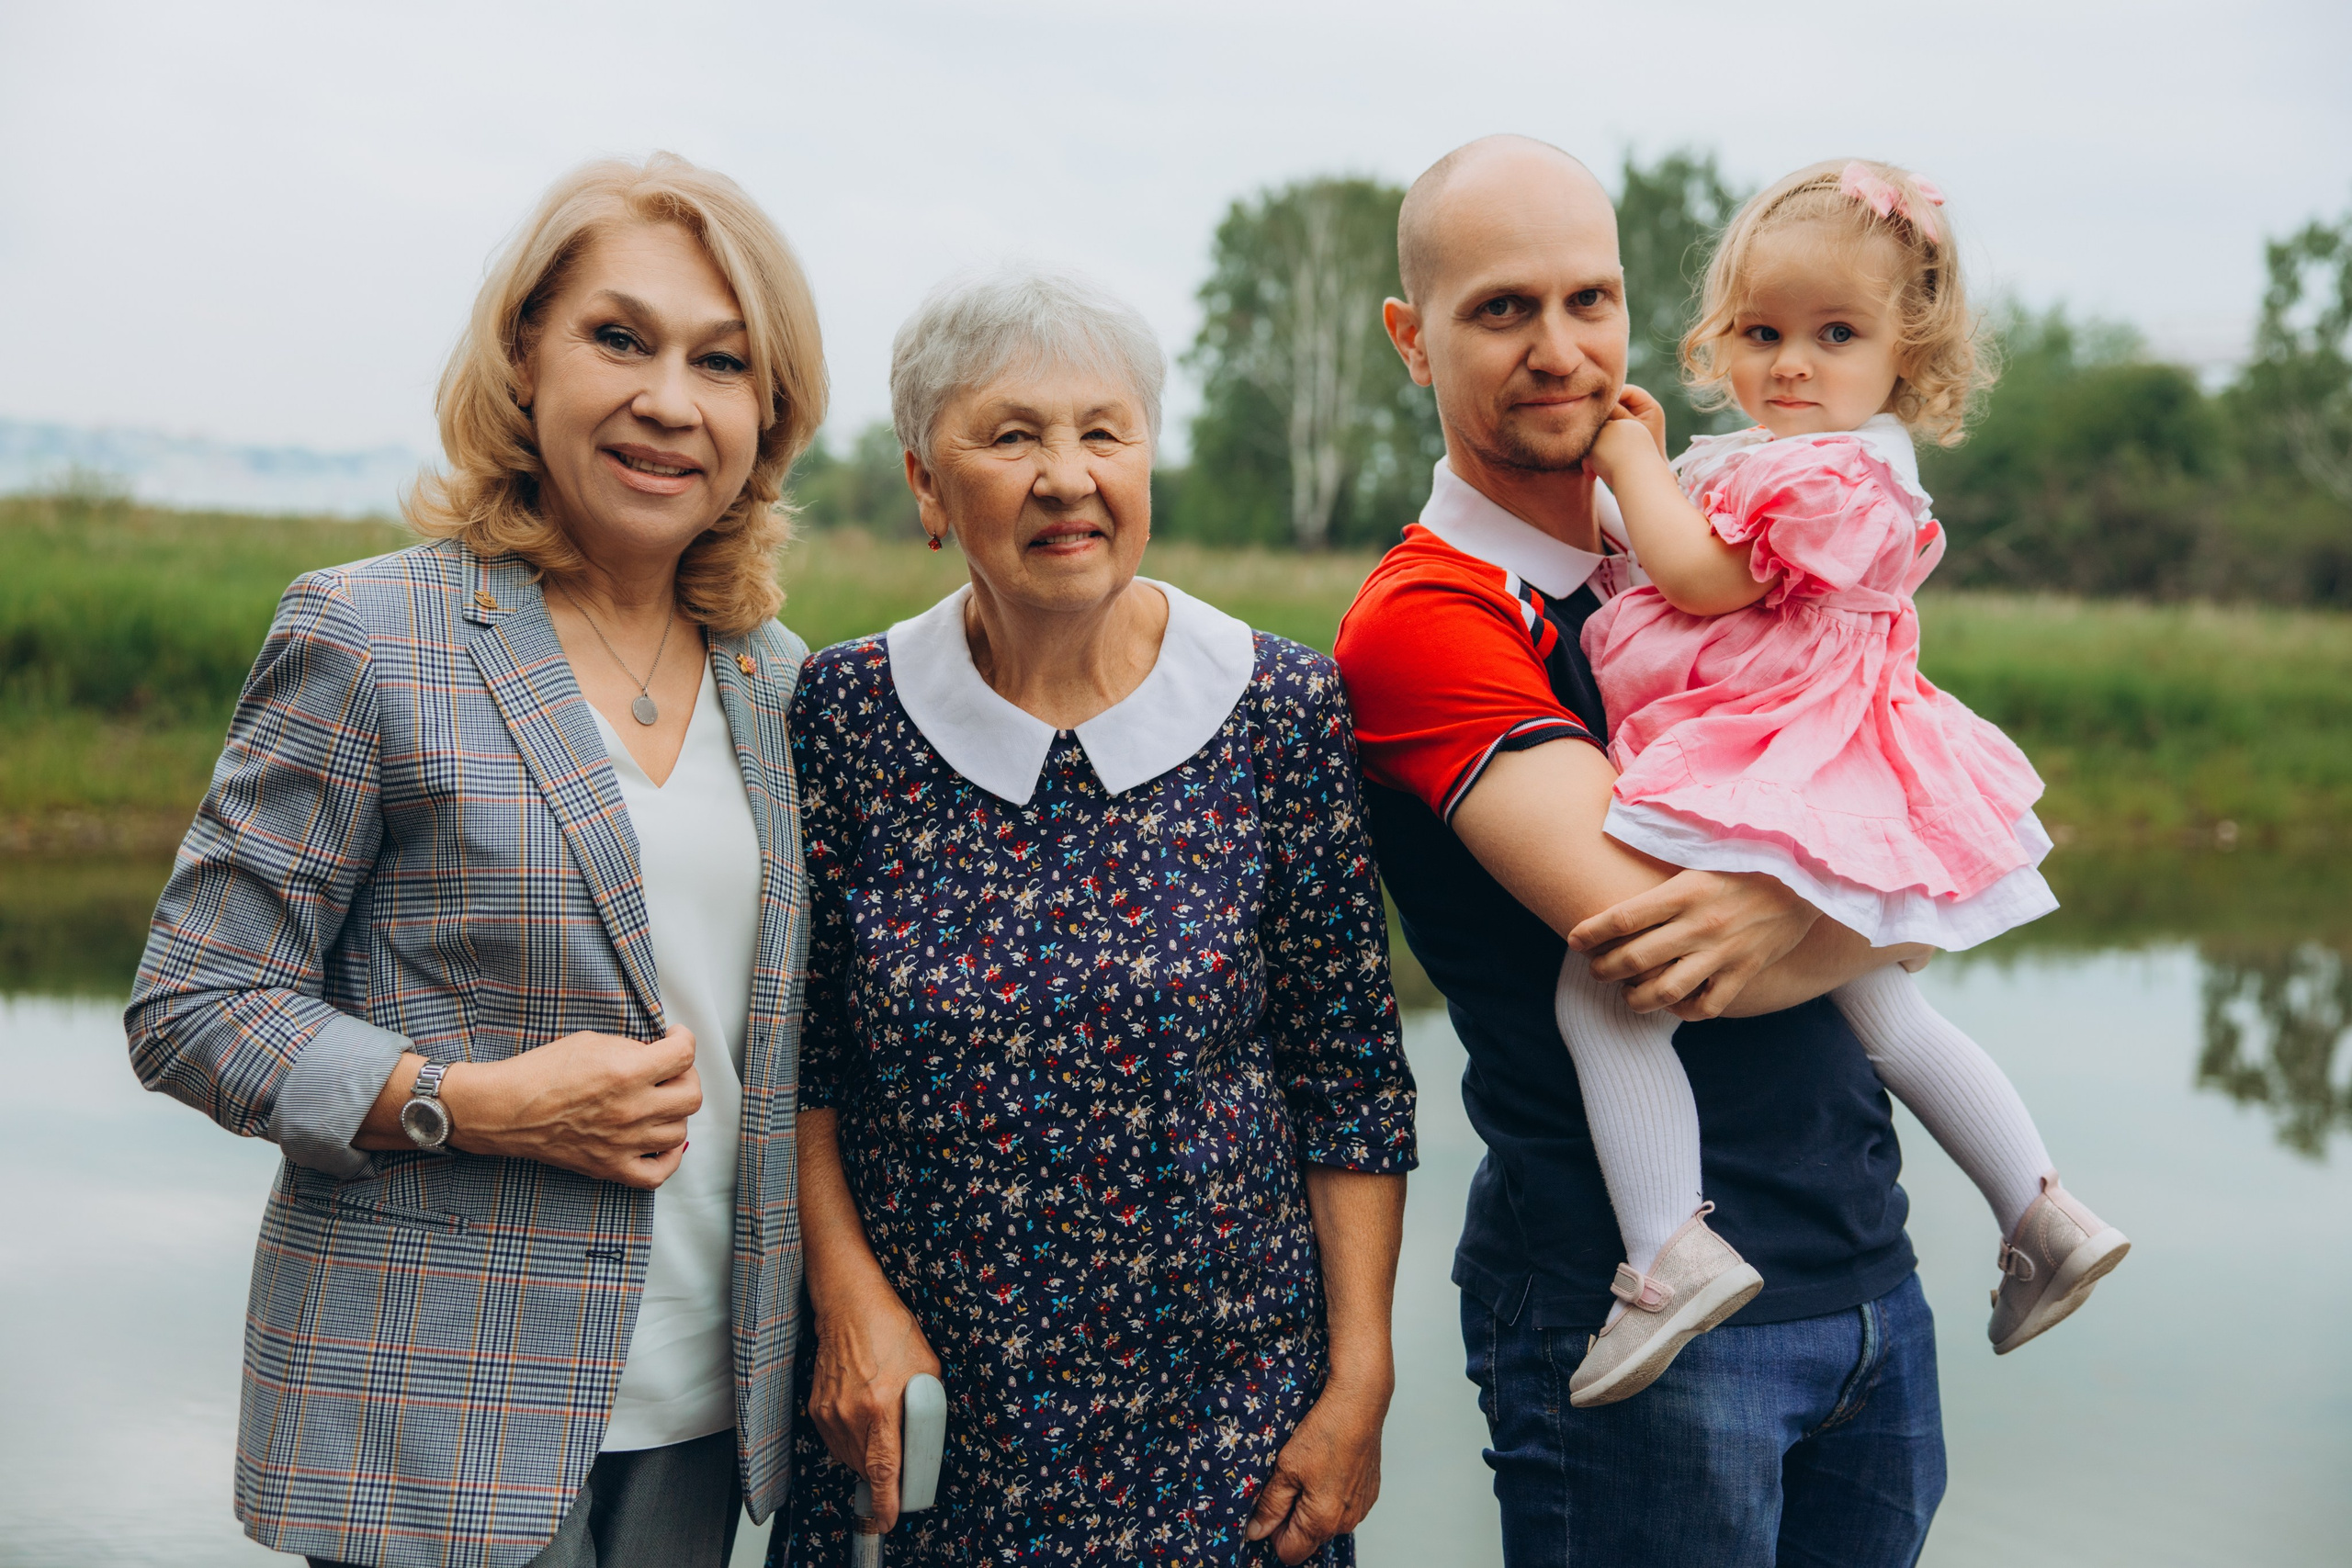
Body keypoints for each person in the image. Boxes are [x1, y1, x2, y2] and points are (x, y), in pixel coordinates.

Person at [125, 152, 826, 1568]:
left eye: (722, 362)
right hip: (430, 1421)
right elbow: (191, 1006)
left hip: (707, 1412)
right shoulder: (369, 635)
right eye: (617, 338)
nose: (668, 400)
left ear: (769, 416)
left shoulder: (787, 686)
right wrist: (468, 1103)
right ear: (524, 356)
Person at [1333, 135, 1943, 1564]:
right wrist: (1907, 891)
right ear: (1412, 341)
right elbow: (1672, 949)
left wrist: (1874, 891)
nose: (1561, 350)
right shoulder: (1430, 620)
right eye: (1502, 311)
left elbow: (1880, 837)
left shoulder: (1714, 549)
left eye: (1590, 299)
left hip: (1864, 1273)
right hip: (1645, 1321)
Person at [774, 266, 1416, 1568]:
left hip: (1227, 1431)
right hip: (921, 1410)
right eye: (1011, 435)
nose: (1066, 475)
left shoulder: (1279, 710)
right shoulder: (844, 715)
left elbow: (1350, 1072)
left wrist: (1360, 1381)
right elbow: (801, 1057)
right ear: (925, 487)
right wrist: (845, 1303)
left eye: (1103, 432)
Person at [1557, 157, 2129, 1406]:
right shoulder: (1803, 459)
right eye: (1763, 332)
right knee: (1887, 1012)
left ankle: (1665, 1252)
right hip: (1822, 754)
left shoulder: (1827, 473)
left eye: (1835, 333)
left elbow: (1702, 581)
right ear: (1723, 336)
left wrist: (1624, 457)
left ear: (1906, 358)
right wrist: (1652, 474)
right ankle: (2042, 1211)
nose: (1792, 364)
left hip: (1771, 754)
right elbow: (1664, 553)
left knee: (1604, 994)